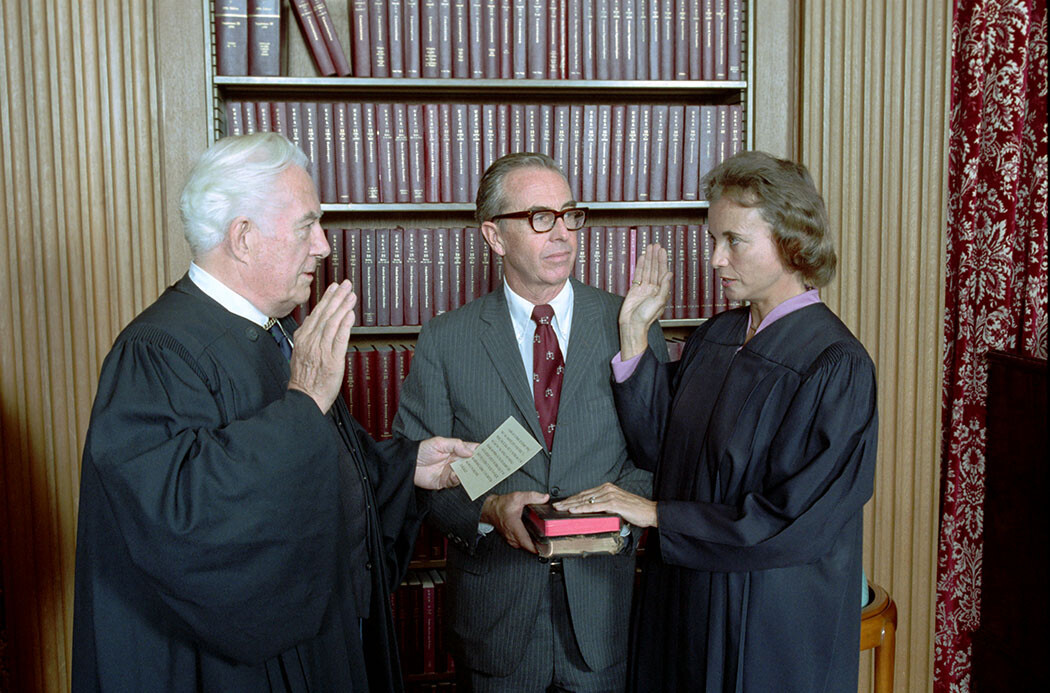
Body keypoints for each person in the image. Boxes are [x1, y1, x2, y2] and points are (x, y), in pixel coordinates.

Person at [71, 132, 476, 692]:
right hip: (227, 671)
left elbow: (317, 466)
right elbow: (184, 518)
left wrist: (406, 469)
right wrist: (305, 399)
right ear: (242, 237)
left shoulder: (277, 333)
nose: (324, 248)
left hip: (319, 649)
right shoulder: (157, 353)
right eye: (307, 225)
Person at [556, 151, 878, 692]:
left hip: (770, 618)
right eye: (713, 240)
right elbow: (660, 449)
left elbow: (793, 521)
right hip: (687, 597)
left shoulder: (834, 365)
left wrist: (659, 514)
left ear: (792, 241)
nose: (714, 260)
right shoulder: (718, 336)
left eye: (734, 241)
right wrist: (634, 334)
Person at [393, 152, 667, 692]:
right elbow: (416, 473)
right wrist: (489, 509)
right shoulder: (446, 340)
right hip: (496, 620)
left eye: (570, 214)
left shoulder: (630, 324)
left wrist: (597, 517)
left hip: (603, 615)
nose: (562, 232)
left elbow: (657, 456)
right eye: (541, 218)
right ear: (495, 237)